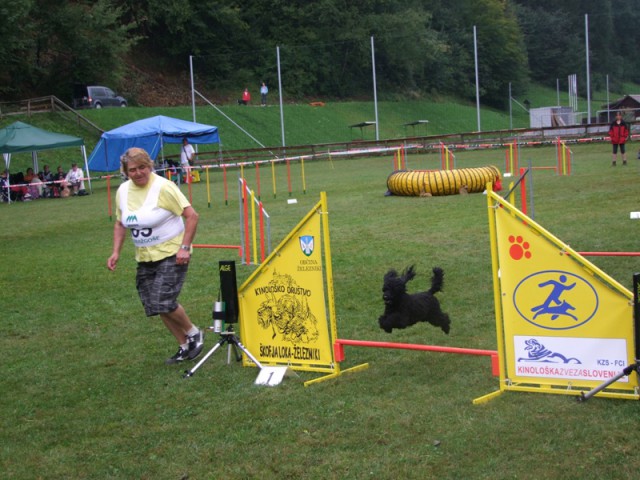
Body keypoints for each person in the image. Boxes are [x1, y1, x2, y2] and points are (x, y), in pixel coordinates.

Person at [107, 147, 204, 365]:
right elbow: (120, 223)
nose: (138, 173)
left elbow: (192, 216)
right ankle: (183, 345)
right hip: (144, 257)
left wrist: (185, 248)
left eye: (143, 167)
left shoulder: (164, 187)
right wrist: (115, 252)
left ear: (150, 166)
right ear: (125, 171)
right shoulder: (122, 191)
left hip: (172, 253)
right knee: (154, 303)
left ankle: (194, 333)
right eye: (133, 169)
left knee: (163, 299)